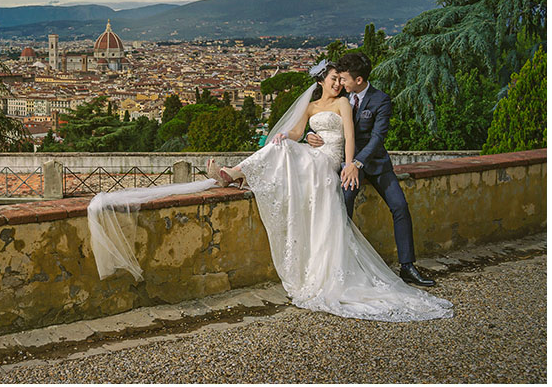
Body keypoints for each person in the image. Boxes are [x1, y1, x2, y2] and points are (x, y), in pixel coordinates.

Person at [88, 60, 452, 322]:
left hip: (343, 162)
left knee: (388, 204)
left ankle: (234, 175)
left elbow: (358, 138)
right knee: (283, 148)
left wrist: (349, 164)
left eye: (342, 80)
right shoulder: (311, 105)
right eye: (334, 79)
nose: (338, 84)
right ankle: (234, 173)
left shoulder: (350, 103)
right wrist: (290, 136)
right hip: (319, 156)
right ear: (323, 81)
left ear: (350, 82)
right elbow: (295, 134)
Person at [305, 53, 434, 287]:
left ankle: (407, 266)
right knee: (344, 202)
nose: (340, 83)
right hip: (346, 162)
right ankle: (340, 264)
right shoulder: (341, 95)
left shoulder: (381, 100)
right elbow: (322, 118)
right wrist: (311, 135)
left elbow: (377, 138)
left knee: (400, 207)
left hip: (375, 163)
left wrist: (357, 163)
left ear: (360, 80)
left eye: (344, 79)